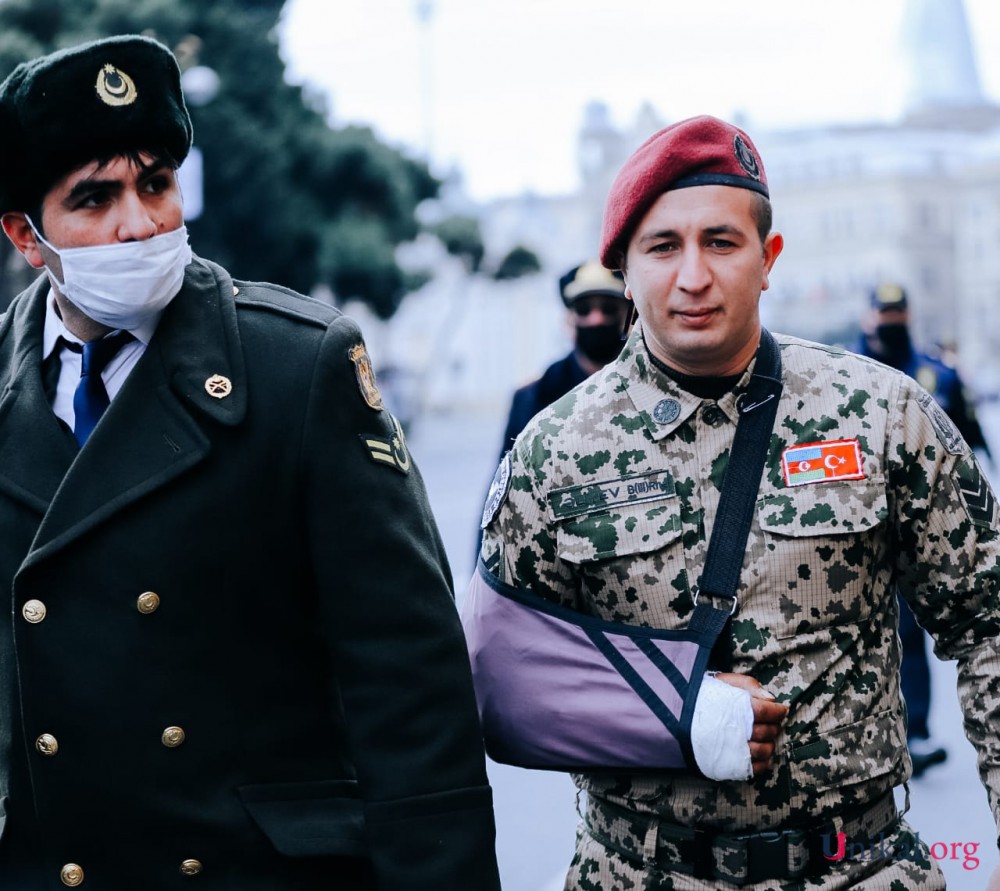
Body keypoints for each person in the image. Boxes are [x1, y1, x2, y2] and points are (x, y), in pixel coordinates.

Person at [0, 35, 500, 890]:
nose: (139, 222)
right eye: (94, 197)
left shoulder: (295, 366)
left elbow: (409, 681)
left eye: (155, 183)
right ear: (24, 233)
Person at [472, 115, 1000, 889]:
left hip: (858, 868)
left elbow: (988, 621)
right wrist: (676, 708)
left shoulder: (884, 417)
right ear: (622, 268)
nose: (693, 275)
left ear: (768, 258)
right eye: (662, 246)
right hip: (639, 873)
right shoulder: (553, 455)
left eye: (721, 241)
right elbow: (502, 681)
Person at [859, 282, 994, 779]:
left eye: (898, 311)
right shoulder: (847, 371)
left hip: (925, 518)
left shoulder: (935, 372)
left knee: (918, 629)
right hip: (863, 519)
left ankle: (914, 731)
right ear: (869, 316)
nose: (891, 319)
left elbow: (966, 435)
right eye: (884, 312)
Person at [498, 260, 632, 455]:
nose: (596, 319)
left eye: (608, 308)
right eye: (584, 309)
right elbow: (506, 479)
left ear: (626, 317)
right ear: (569, 319)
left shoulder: (651, 385)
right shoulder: (532, 397)